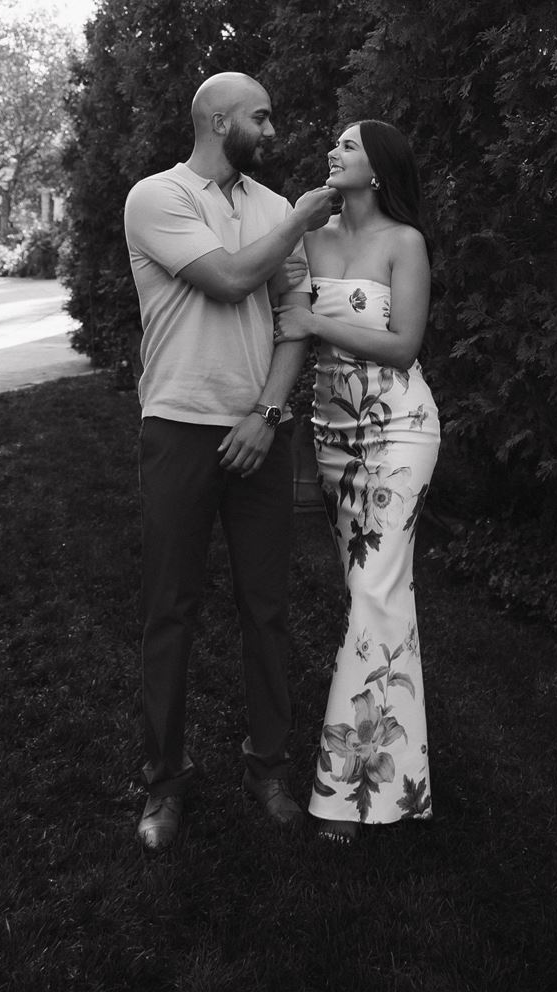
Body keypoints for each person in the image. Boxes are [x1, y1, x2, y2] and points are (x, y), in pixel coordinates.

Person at [123, 71, 337, 853]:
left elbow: (293, 317)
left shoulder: (274, 207)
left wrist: (268, 414)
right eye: (261, 117)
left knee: (267, 609)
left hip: (259, 431)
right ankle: (163, 783)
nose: (273, 132)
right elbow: (230, 279)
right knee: (170, 611)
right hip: (178, 428)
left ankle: (269, 767)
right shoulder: (158, 198)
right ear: (218, 120)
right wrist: (306, 218)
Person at [273, 119, 440, 842]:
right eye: (334, 142)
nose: (334, 150)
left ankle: (346, 792)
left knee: (374, 593)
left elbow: (403, 346)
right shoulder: (310, 237)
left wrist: (315, 320)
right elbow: (278, 313)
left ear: (379, 168)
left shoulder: (404, 243)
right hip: (334, 435)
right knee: (374, 598)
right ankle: (394, 778)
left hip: (400, 429)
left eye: (349, 143)